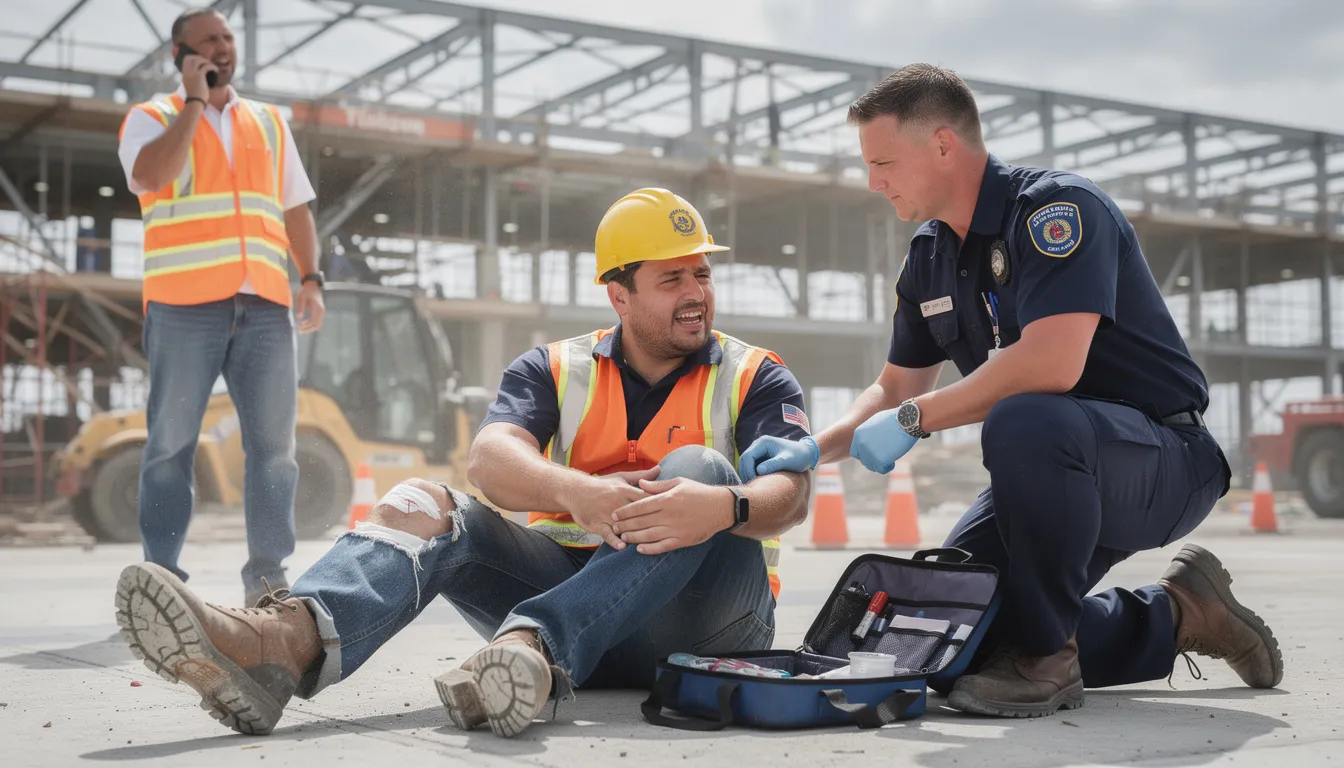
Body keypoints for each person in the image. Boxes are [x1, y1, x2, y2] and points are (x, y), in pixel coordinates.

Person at [113, 188, 814, 738]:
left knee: (701, 468)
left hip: (707, 623)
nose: (697, 292)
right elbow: (490, 461)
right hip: (568, 604)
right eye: (672, 279)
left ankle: (535, 644)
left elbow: (792, 489)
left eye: (701, 273)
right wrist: (581, 493)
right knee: (427, 502)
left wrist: (726, 506)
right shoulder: (555, 368)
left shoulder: (757, 375)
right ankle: (280, 647)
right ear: (619, 293)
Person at [738, 64, 1283, 718]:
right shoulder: (929, 257)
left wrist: (917, 419)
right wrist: (813, 448)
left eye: (883, 162)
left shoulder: (1056, 211)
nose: (873, 181)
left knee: (1025, 418)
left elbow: (1051, 363)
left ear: (943, 145)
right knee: (943, 639)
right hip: (1054, 472)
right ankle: (1181, 613)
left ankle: (1048, 662)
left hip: (1161, 456)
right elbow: (894, 386)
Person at [117, 7, 326, 607]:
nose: (222, 46)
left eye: (227, 36)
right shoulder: (150, 118)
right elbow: (150, 174)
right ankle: (162, 580)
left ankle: (268, 578)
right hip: (184, 306)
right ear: (180, 55)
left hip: (264, 303)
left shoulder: (266, 121)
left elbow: (294, 208)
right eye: (207, 40)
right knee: (170, 445)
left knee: (274, 448)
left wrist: (310, 278)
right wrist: (191, 102)